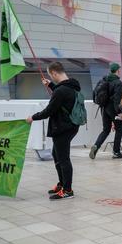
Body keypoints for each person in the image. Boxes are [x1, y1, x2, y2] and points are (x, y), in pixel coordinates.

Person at [26, 62, 81, 200]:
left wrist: (33, 117)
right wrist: (51, 85)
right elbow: (63, 95)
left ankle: (67, 190)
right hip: (71, 125)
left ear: (54, 73)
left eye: (51, 75)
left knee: (63, 158)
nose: (52, 77)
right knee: (56, 154)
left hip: (62, 128)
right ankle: (62, 184)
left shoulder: (60, 91)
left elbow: (49, 111)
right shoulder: (72, 85)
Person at [90, 62, 122, 159]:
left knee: (106, 130)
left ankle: (96, 146)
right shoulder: (118, 82)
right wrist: (119, 113)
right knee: (119, 129)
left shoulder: (103, 79)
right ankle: (116, 152)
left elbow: (94, 92)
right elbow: (116, 99)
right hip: (113, 109)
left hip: (103, 108)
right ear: (118, 70)